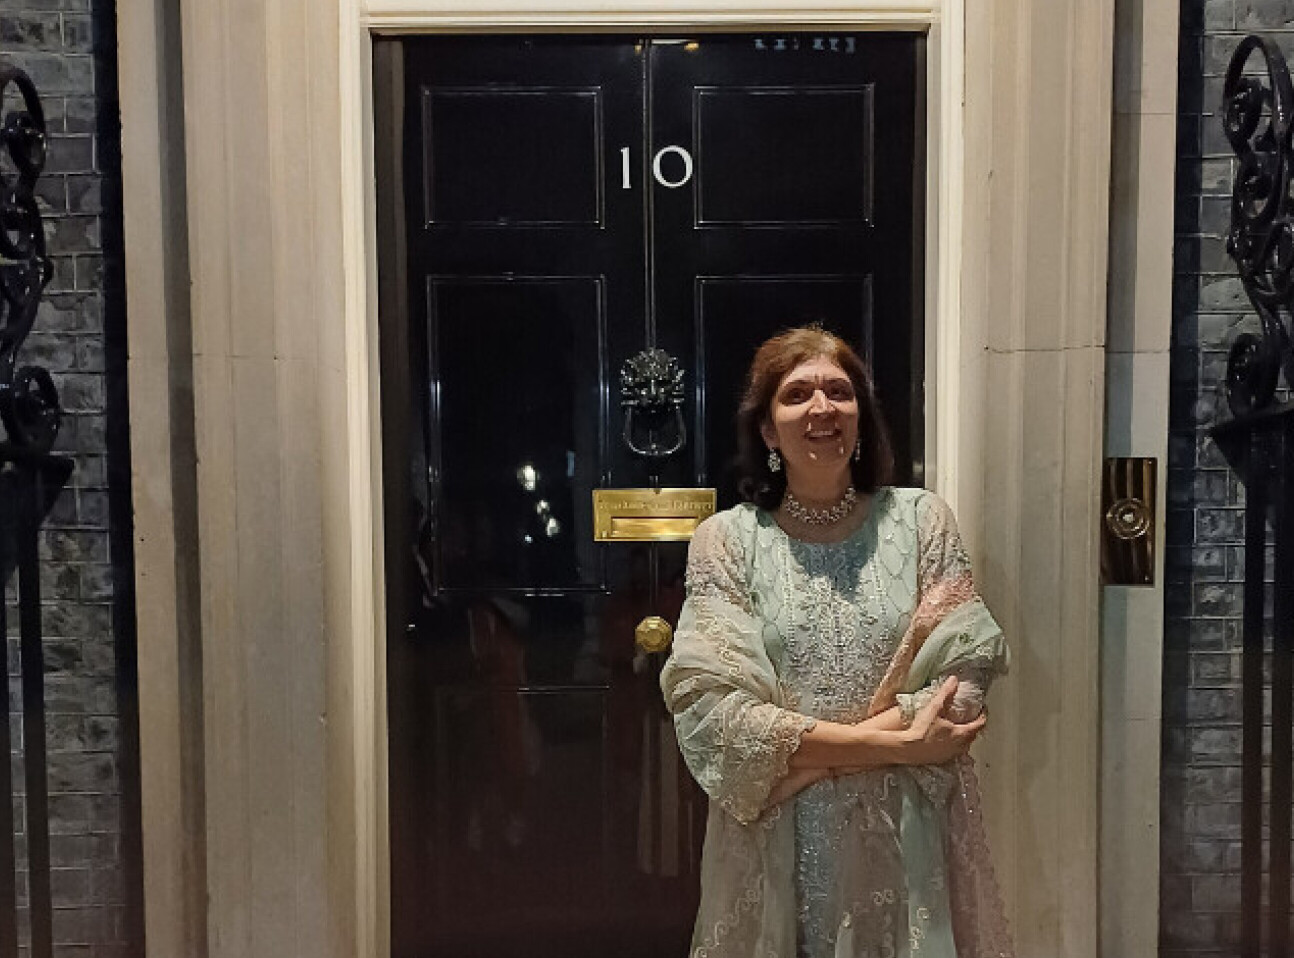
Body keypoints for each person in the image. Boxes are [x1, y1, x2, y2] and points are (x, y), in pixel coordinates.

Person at [659, 326, 1013, 958]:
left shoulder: (921, 521)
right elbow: (715, 713)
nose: (821, 408)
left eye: (838, 391)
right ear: (768, 431)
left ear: (860, 416)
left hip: (906, 831)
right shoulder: (727, 540)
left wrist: (807, 760)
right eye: (797, 395)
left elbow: (966, 670)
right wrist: (901, 744)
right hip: (778, 835)